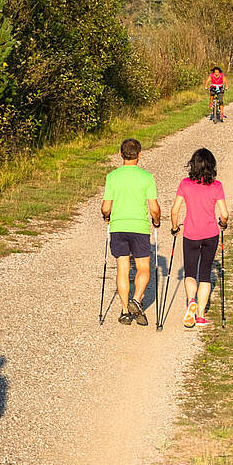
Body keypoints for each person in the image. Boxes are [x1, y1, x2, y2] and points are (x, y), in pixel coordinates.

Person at [101, 137, 162, 325]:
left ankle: (126, 311)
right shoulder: (147, 178)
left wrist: (107, 217)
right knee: (144, 268)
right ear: (140, 155)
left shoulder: (112, 177)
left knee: (123, 268)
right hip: (139, 228)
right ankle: (136, 299)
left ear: (120, 154)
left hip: (119, 227)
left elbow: (105, 207)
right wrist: (157, 221)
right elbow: (154, 208)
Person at [170, 148, 230, 328]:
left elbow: (175, 210)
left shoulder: (185, 184)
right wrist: (223, 223)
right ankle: (201, 315)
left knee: (190, 273)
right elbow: (224, 213)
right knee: (205, 274)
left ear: (193, 165)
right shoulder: (216, 186)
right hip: (210, 234)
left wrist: (174, 227)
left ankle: (191, 302)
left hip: (191, 234)